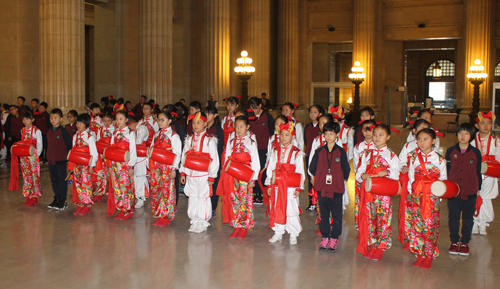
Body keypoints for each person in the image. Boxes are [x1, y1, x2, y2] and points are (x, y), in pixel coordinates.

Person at [356, 124, 400, 260]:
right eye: (375, 134)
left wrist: (386, 172)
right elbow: (360, 169)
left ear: (388, 137)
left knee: (383, 219)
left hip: (383, 194)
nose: (377, 137)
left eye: (381, 135)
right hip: (369, 193)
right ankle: (372, 243)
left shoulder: (391, 155)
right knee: (370, 218)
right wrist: (361, 175)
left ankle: (381, 246)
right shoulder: (367, 154)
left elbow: (396, 174)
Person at [407, 128, 447, 269]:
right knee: (417, 225)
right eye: (419, 139)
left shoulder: (440, 160)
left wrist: (438, 197)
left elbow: (443, 180)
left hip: (431, 198)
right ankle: (420, 254)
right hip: (417, 196)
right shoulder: (413, 158)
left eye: (426, 139)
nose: (422, 142)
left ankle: (429, 254)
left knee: (430, 226)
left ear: (434, 141)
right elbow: (411, 177)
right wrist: (411, 194)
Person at [309, 121, 350, 252]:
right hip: (322, 189)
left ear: (336, 135)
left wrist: (338, 179)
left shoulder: (341, 152)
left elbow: (346, 170)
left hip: (336, 190)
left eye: (331, 134)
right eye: (326, 134)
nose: (328, 136)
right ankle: (325, 237)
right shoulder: (319, 151)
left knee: (337, 216)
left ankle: (335, 238)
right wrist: (320, 177)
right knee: (324, 214)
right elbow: (312, 168)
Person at [217, 115, 260, 239]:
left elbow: (256, 163)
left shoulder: (251, 143)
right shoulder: (231, 142)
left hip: (246, 177)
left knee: (244, 202)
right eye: (236, 126)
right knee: (234, 200)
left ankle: (244, 227)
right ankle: (236, 225)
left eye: (241, 126)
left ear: (247, 127)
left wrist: (253, 179)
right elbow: (227, 159)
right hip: (233, 176)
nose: (238, 129)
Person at [265, 120, 305, 245]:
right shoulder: (275, 150)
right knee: (277, 207)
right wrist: (270, 184)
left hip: (290, 186)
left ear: (293, 136)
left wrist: (298, 188)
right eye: (281, 134)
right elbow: (271, 168)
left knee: (291, 209)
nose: (283, 137)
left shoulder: (296, 152)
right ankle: (278, 231)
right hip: (277, 184)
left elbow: (300, 171)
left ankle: (293, 233)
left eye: (286, 134)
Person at [179, 112, 220, 233]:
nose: (195, 125)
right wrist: (183, 172)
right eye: (193, 123)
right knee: (192, 196)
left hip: (203, 175)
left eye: (199, 122)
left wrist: (212, 176)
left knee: (203, 197)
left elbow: (215, 159)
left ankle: (202, 221)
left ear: (205, 124)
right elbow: (184, 156)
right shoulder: (189, 139)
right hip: (191, 174)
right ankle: (194, 219)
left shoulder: (210, 140)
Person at [446, 123, 482, 257]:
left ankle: (465, 242)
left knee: (468, 219)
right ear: (456, 134)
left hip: (470, 190)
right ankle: (454, 241)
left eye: (467, 133)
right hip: (453, 192)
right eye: (460, 132)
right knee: (453, 217)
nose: (463, 136)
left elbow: (477, 172)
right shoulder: (450, 151)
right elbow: (447, 170)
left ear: (471, 136)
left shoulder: (476, 152)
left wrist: (479, 188)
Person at [149, 111, 182, 227]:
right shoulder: (156, 135)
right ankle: (158, 213)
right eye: (158, 120)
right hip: (156, 168)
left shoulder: (174, 136)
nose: (160, 122)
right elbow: (152, 151)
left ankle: (166, 215)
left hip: (167, 168)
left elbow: (177, 153)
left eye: (163, 120)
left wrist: (174, 168)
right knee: (156, 190)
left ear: (169, 121)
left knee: (167, 191)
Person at [470, 111, 500, 235]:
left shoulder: (496, 141)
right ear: (477, 126)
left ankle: (483, 224)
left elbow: (498, 158)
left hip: (489, 174)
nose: (486, 126)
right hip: (474, 173)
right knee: (474, 197)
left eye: (489, 123)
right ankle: (474, 222)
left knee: (486, 198)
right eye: (483, 123)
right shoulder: (472, 140)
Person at [307, 114, 336, 233]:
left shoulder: (337, 140)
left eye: (324, 123)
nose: (321, 126)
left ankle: (333, 222)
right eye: (319, 123)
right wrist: (312, 174)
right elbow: (312, 158)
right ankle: (323, 223)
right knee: (321, 200)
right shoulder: (316, 140)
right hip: (320, 176)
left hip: (333, 177)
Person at [9, 111, 43, 205]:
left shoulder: (37, 131)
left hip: (33, 157)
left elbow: (40, 145)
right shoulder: (22, 130)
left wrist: (35, 156)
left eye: (27, 119)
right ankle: (28, 195)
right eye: (23, 119)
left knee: (34, 177)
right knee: (26, 176)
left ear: (32, 120)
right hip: (24, 158)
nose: (25, 121)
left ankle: (34, 197)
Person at [109, 110, 137, 220]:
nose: (118, 121)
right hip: (116, 165)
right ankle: (121, 208)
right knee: (117, 187)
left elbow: (133, 151)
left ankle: (128, 209)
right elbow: (111, 150)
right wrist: (111, 165)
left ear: (126, 120)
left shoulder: (130, 133)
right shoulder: (115, 133)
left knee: (126, 187)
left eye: (121, 119)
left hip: (125, 165)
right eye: (117, 119)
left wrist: (131, 166)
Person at [69, 114, 98, 216]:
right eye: (77, 123)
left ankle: (86, 205)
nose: (78, 125)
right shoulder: (75, 136)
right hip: (77, 165)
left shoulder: (90, 137)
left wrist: (91, 166)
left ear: (86, 124)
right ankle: (80, 203)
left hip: (86, 165)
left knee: (86, 184)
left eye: (81, 123)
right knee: (78, 184)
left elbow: (94, 153)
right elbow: (73, 150)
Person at [248, 97, 275, 204]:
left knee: (262, 171)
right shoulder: (249, 117)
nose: (253, 110)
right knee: (253, 170)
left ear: (260, 105)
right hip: (252, 148)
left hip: (264, 148)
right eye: (251, 108)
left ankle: (259, 193)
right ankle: (254, 193)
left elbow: (272, 132)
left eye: (255, 107)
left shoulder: (268, 116)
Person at [352, 119, 376, 232]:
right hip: (361, 180)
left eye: (370, 130)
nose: (367, 132)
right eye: (364, 129)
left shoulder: (377, 147)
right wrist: (361, 176)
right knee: (360, 204)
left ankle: (372, 229)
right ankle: (361, 227)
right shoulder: (358, 147)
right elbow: (356, 164)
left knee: (373, 205)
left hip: (374, 181)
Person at [47, 108, 73, 210]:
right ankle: (56, 198)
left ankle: (63, 200)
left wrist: (68, 159)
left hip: (60, 160)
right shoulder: (49, 131)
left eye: (55, 118)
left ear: (61, 119)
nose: (53, 120)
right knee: (54, 180)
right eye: (51, 118)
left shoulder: (63, 131)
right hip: (51, 160)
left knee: (61, 180)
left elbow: (69, 145)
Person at [135, 102, 159, 209]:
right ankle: (141, 196)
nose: (145, 111)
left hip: (150, 150)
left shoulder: (154, 121)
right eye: (144, 108)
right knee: (140, 174)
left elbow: (157, 135)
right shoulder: (140, 121)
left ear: (152, 109)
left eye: (147, 108)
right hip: (141, 151)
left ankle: (150, 195)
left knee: (149, 174)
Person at [205, 105, 224, 216]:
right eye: (206, 113)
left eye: (210, 114)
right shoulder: (203, 127)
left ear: (215, 115)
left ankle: (213, 207)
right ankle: (205, 206)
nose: (207, 116)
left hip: (213, 161)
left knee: (214, 184)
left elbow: (219, 147)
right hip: (203, 162)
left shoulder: (218, 130)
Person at [304, 104, 323, 211]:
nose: (312, 114)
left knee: (320, 179)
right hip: (309, 156)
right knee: (311, 179)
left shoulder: (323, 128)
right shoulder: (307, 127)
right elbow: (307, 141)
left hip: (320, 158)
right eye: (311, 112)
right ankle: (311, 202)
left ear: (320, 114)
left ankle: (320, 201)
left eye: (315, 112)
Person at [93, 112, 115, 201]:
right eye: (105, 121)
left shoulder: (114, 130)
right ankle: (99, 192)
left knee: (110, 173)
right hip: (101, 155)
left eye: (109, 121)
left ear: (112, 121)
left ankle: (111, 191)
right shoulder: (100, 129)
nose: (106, 123)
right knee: (100, 173)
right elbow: (98, 140)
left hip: (110, 154)